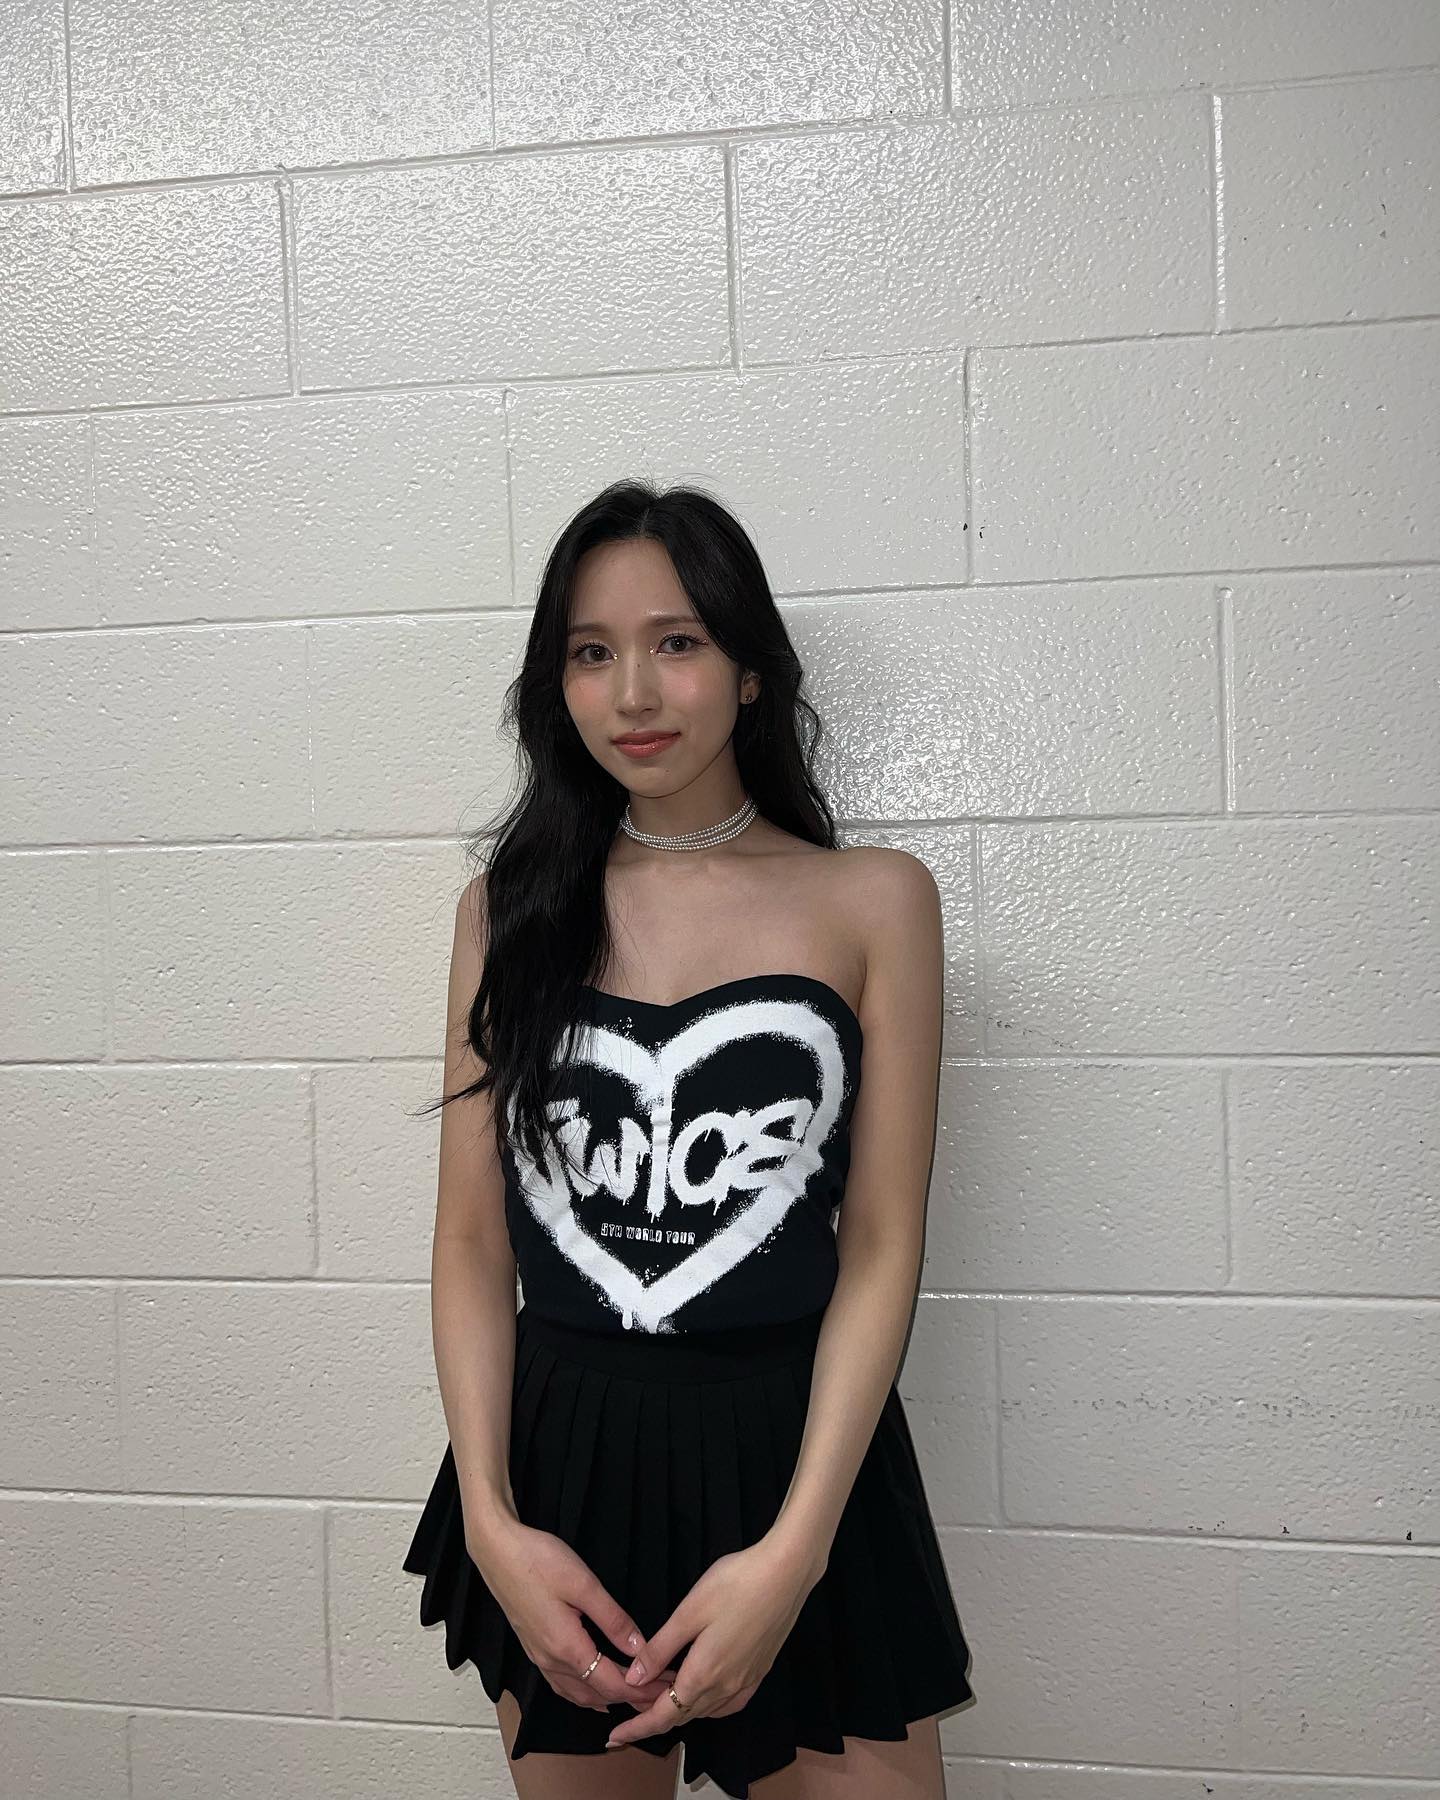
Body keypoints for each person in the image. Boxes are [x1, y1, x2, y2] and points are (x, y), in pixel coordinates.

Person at [402, 479, 974, 1798]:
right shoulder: (507, 910)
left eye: (677, 642)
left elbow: (882, 1242)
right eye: (590, 653)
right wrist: (491, 1522)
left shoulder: (875, 900)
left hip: (800, 1459)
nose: (634, 693)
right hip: (561, 1470)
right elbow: (472, 1243)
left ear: (751, 670)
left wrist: (798, 1551)